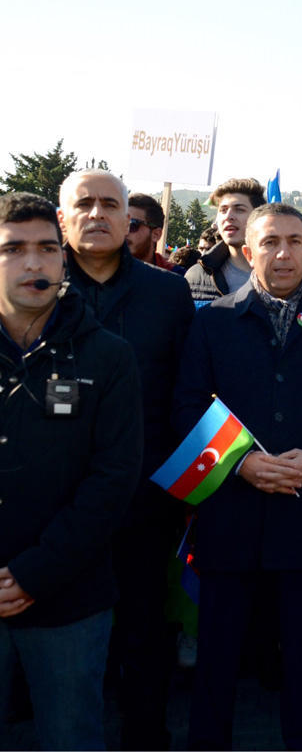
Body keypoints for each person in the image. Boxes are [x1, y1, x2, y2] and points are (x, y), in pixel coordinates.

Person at [175, 203, 302, 750]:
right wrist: (240, 463)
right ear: (247, 250)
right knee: (218, 655)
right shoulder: (213, 322)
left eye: (294, 241)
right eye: (269, 243)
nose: (282, 253)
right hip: (230, 518)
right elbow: (188, 405)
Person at [0, 192, 142, 751]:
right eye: (13, 249)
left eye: (46, 249)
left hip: (69, 599)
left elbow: (113, 477)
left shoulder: (108, 356)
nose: (33, 264)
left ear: (64, 259)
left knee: (71, 736)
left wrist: (36, 572)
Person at [59, 169, 195, 749]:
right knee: (64, 636)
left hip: (147, 494)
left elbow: (188, 392)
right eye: (83, 204)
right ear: (62, 217)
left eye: (110, 204)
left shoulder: (168, 292)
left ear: (129, 220)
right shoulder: (33, 283)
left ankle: (146, 731)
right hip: (53, 500)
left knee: (144, 625)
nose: (97, 214)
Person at [185, 178, 264, 302]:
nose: (228, 216)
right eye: (223, 210)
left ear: (259, 217)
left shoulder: (283, 275)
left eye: (239, 209)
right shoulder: (197, 276)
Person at [126, 192, 184, 273]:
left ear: (156, 234)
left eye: (132, 225)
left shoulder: (175, 279)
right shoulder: (103, 273)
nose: (124, 231)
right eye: (120, 223)